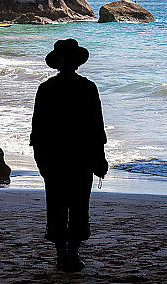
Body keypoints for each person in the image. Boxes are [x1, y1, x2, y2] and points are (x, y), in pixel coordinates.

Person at [31, 39, 108, 272]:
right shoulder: (88, 88)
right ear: (77, 63)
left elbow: (38, 129)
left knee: (56, 205)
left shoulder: (46, 89)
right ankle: (72, 254)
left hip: (53, 157)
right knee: (78, 206)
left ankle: (62, 255)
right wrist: (99, 158)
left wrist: (40, 159)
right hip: (81, 157)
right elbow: (97, 128)